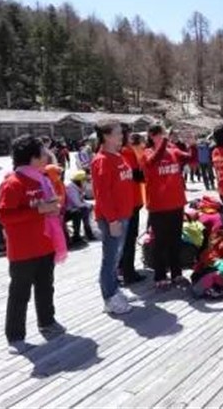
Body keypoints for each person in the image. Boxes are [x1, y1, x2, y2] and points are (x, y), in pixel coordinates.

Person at [0, 135, 66, 354]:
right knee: (20, 293)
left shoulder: (42, 179)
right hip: (23, 249)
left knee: (46, 286)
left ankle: (47, 321)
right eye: (43, 153)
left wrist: (52, 208)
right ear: (32, 157)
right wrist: (39, 210)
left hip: (45, 243)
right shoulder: (12, 183)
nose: (47, 156)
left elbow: (47, 207)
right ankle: (15, 336)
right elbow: (4, 216)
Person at [91, 120, 135, 314]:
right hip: (113, 218)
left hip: (124, 214)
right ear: (106, 136)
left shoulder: (118, 156)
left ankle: (114, 289)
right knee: (110, 258)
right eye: (117, 133)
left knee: (116, 256)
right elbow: (102, 194)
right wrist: (112, 220)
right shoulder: (102, 160)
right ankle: (109, 298)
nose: (121, 136)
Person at [143, 124, 193, 289]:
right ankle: (160, 275)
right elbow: (154, 160)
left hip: (176, 204)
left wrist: (192, 145)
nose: (164, 137)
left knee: (175, 241)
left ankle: (176, 272)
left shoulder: (172, 151)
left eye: (164, 134)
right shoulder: (147, 153)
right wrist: (164, 142)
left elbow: (190, 158)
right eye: (160, 134)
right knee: (160, 242)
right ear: (152, 136)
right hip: (158, 206)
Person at [119, 130, 146, 285]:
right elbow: (138, 175)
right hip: (132, 201)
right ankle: (128, 272)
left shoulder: (118, 153)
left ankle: (121, 268)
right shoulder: (127, 153)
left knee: (124, 238)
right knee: (130, 238)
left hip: (126, 201)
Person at [64, 169, 95, 246]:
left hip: (73, 208)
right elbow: (77, 203)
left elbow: (81, 201)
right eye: (85, 180)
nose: (86, 182)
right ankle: (77, 236)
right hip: (67, 210)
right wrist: (89, 205)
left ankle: (88, 232)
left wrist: (89, 205)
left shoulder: (78, 188)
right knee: (81, 211)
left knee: (86, 209)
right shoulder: (71, 188)